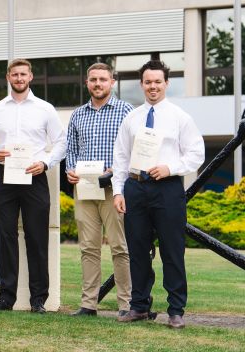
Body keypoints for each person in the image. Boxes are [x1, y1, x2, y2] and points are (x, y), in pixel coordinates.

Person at [113, 60, 204, 329]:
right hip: (135, 188)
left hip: (167, 188)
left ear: (166, 83)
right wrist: (118, 192)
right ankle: (139, 306)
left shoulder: (180, 117)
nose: (153, 86)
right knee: (137, 250)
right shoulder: (131, 118)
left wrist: (170, 168)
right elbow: (121, 157)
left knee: (172, 250)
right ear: (141, 84)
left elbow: (196, 154)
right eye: (148, 82)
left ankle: (176, 310)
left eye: (157, 82)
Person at [0, 59, 66, 313]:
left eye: (23, 74)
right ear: (8, 77)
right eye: (14, 74)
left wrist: (45, 163)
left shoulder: (45, 109)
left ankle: (38, 300)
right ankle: (6, 298)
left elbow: (61, 142)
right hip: (4, 178)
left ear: (30, 77)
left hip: (34, 177)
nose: (19, 78)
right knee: (6, 237)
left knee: (37, 238)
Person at [65, 63, 133, 317]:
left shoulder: (126, 111)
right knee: (88, 247)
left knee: (120, 247)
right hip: (84, 189)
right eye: (93, 79)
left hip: (114, 189)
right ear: (87, 83)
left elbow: (133, 148)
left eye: (103, 79)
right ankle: (88, 304)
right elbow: (71, 149)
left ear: (112, 82)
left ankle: (126, 304)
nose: (98, 84)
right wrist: (70, 170)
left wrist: (116, 169)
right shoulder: (77, 115)